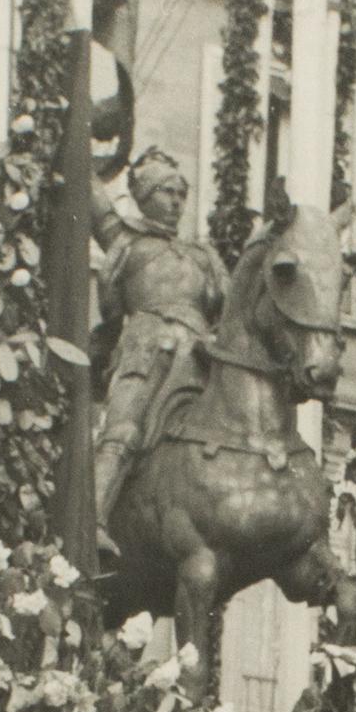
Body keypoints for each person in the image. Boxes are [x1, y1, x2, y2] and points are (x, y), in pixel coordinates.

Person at [91, 146, 230, 548]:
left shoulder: (202, 254)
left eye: (180, 193)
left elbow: (230, 305)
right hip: (147, 346)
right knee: (124, 426)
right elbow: (91, 194)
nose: (176, 202)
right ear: (144, 196)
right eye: (165, 192)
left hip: (202, 353)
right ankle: (95, 520)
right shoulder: (127, 240)